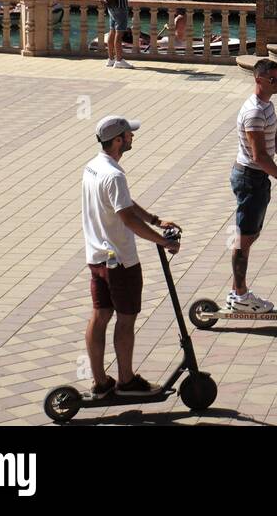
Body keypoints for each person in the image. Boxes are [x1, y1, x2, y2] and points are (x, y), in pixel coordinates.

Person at [81, 116, 182, 398]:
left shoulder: (93, 166)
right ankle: (126, 381)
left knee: (100, 315)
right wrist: (162, 241)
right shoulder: (114, 175)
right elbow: (126, 218)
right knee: (126, 319)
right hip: (120, 261)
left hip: (97, 257)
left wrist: (154, 218)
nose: (132, 138)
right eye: (128, 135)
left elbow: (123, 203)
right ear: (117, 141)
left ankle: (101, 382)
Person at [229, 60, 277, 313]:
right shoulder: (254, 112)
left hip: (257, 178)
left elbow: (273, 136)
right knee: (243, 239)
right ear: (258, 79)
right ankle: (240, 295)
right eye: (273, 79)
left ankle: (237, 292)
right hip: (250, 178)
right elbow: (259, 155)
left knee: (247, 236)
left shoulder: (266, 107)